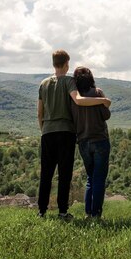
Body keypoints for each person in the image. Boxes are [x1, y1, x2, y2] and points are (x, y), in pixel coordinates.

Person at [37, 50, 111, 220]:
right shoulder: (69, 81)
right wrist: (102, 100)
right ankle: (63, 212)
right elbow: (78, 100)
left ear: (53, 63)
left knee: (46, 174)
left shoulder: (43, 84)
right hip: (66, 132)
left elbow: (39, 114)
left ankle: (41, 211)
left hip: (47, 132)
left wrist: (44, 131)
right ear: (66, 64)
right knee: (65, 174)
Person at [71, 66, 111, 219]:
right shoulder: (97, 93)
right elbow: (106, 115)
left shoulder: (74, 97)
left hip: (83, 142)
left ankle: (88, 212)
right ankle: (96, 214)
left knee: (90, 178)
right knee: (99, 178)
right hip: (100, 139)